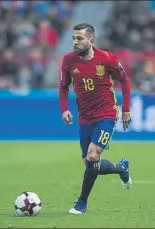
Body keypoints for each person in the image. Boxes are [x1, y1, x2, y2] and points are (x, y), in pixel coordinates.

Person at [58, 23, 133, 215]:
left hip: (106, 114)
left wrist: (126, 109)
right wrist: (64, 109)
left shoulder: (107, 59)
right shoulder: (68, 61)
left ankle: (81, 204)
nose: (75, 42)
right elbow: (64, 87)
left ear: (90, 40)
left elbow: (124, 79)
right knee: (90, 165)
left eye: (79, 38)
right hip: (85, 117)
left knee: (93, 155)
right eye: (73, 38)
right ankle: (121, 168)